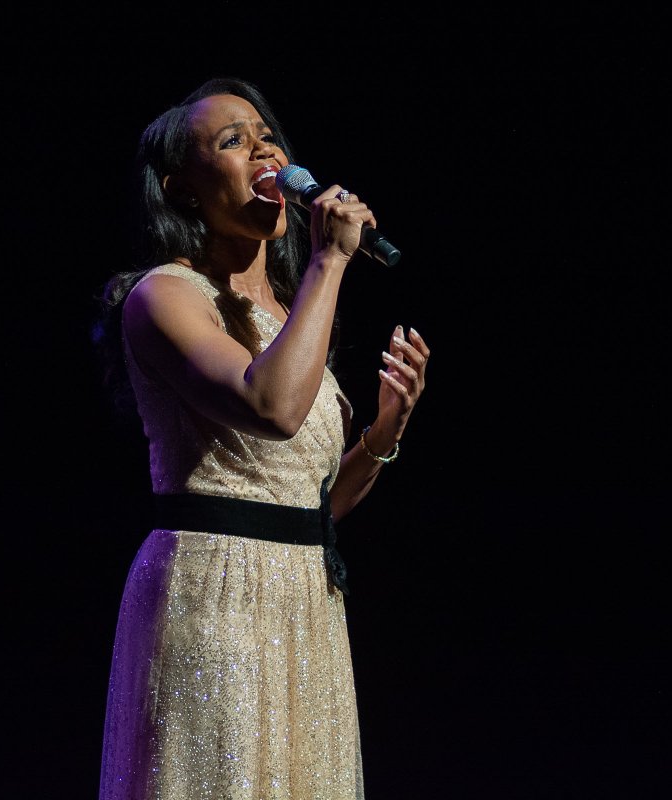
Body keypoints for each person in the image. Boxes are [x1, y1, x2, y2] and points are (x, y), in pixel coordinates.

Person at [90, 76, 430, 799]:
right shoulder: (163, 296)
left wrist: (382, 432)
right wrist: (329, 261)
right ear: (184, 189)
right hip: (216, 598)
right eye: (232, 141)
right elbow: (269, 406)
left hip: (306, 603)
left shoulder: (289, 312)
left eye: (266, 135)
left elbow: (311, 510)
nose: (262, 148)